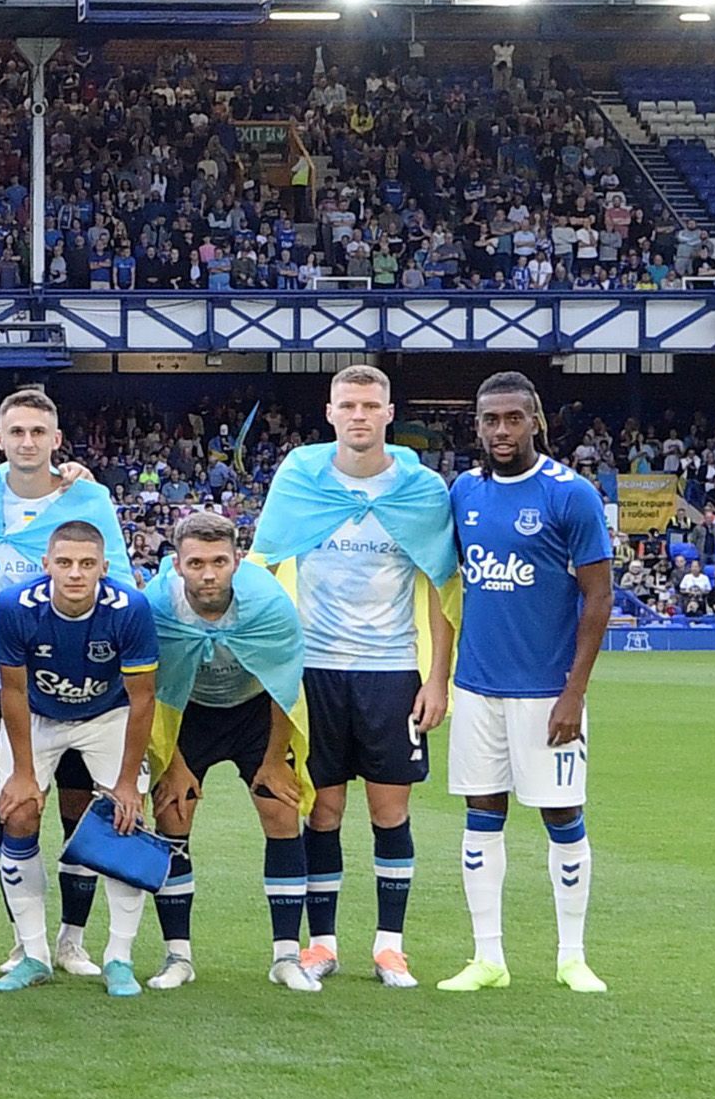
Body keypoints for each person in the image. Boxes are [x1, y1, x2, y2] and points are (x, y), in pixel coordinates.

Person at [249, 364, 458, 988]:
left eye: (371, 405)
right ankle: (322, 943)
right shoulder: (300, 478)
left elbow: (445, 589)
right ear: (331, 412)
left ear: (389, 415)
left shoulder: (420, 491)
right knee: (324, 811)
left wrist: (437, 678)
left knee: (390, 811)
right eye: (349, 405)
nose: (359, 415)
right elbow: (263, 566)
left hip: (391, 670)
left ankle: (390, 946)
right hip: (314, 671)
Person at [441, 373, 615, 994]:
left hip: (547, 691)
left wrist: (575, 692)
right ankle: (488, 957)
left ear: (536, 420)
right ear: (478, 425)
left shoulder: (572, 495)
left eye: (514, 418)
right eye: (491, 420)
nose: (502, 431)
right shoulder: (463, 491)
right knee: (481, 812)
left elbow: (598, 598)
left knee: (562, 814)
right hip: (479, 686)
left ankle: (572, 955)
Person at [0, 387, 133, 974]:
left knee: (82, 814)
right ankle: (24, 941)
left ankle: (72, 941)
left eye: (39, 432)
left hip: (87, 686)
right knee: (15, 808)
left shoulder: (89, 499)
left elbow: (122, 586)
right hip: (0, 678)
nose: (27, 442)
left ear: (57, 441)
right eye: (16, 432)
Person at [143, 511, 316, 992]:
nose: (208, 573)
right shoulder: (155, 606)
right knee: (173, 816)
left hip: (254, 708)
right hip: (186, 711)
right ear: (177, 564)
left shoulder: (269, 605)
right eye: (196, 562)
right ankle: (177, 956)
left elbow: (286, 687)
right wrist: (172, 764)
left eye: (219, 561)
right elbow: (147, 691)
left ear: (237, 560)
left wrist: (272, 761)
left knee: (280, 810)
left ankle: (286, 957)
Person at [0, 523, 158, 997]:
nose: (76, 574)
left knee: (127, 823)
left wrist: (125, 783)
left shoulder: (130, 610)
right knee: (19, 813)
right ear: (46, 566)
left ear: (104, 567)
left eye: (87, 564)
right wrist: (23, 774)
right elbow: (14, 691)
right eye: (64, 563)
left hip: (107, 716)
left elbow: (143, 700)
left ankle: (119, 957)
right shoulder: (15, 607)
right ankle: (35, 953)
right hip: (40, 717)